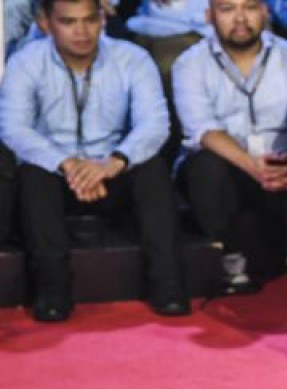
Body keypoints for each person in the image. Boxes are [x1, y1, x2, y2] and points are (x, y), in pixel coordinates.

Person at [0, 0, 190, 321]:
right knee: (33, 173)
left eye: (89, 20)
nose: (82, 32)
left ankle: (167, 284)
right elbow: (13, 129)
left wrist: (114, 162)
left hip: (112, 173)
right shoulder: (25, 62)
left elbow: (155, 124)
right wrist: (68, 164)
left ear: (102, 19)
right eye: (69, 22)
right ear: (46, 24)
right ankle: (53, 289)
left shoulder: (133, 58)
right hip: (56, 175)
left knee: (152, 169)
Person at [172, 0, 287, 293]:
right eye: (227, 9)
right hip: (227, 164)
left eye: (250, 7)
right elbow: (202, 130)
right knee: (205, 165)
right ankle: (231, 259)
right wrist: (253, 166)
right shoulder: (189, 63)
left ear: (264, 12)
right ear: (209, 15)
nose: (240, 18)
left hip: (281, 161)